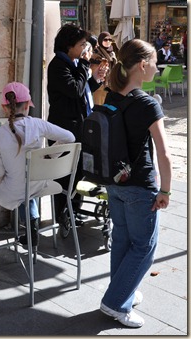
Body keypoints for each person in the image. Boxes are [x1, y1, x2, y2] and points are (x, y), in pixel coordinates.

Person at [100, 39, 172, 328]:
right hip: (140, 185)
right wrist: (165, 190)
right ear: (143, 65)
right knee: (144, 247)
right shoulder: (147, 103)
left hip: (115, 182)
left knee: (122, 240)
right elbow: (165, 154)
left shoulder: (112, 95)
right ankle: (115, 303)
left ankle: (121, 292)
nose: (157, 67)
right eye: (154, 62)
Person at [0, 82, 75, 248]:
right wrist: (48, 155)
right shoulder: (39, 124)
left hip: (16, 189)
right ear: (27, 105)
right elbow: (69, 137)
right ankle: (32, 229)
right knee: (26, 179)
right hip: (40, 184)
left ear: (4, 107)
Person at [47, 24, 107, 224]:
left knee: (79, 172)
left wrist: (96, 79)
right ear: (68, 45)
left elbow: (80, 92)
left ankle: (74, 211)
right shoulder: (58, 66)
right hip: (64, 129)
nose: (85, 48)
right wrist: (83, 65)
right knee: (63, 174)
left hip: (77, 127)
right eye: (82, 44)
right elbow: (73, 90)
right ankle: (63, 215)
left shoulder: (72, 64)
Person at [91, 31, 117, 105]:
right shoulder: (96, 53)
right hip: (100, 85)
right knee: (99, 107)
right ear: (100, 41)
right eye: (105, 40)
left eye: (110, 40)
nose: (108, 42)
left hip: (111, 85)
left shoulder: (112, 53)